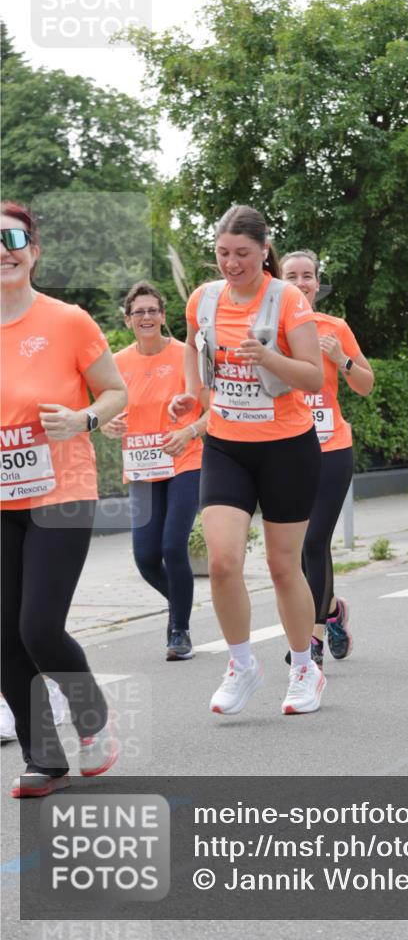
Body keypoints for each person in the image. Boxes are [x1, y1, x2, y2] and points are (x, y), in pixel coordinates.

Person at [169, 205, 325, 715]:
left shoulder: (287, 301)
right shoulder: (204, 299)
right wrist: (192, 396)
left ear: (263, 251)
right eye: (222, 254)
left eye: (242, 254)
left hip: (287, 446)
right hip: (226, 445)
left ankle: (304, 667)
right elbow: (194, 347)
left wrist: (269, 357)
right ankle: (242, 664)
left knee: (283, 567)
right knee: (222, 561)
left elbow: (313, 377)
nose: (231, 264)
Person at [1, 201, 127, 797]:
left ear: (34, 249)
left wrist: (82, 418)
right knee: (3, 635)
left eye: (13, 237)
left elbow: (115, 391)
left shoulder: (69, 321)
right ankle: (44, 757)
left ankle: (91, 718)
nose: (3, 249)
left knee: (40, 628)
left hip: (62, 491)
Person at [101, 281, 207, 661]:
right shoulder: (117, 362)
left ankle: (179, 629)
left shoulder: (186, 356)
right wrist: (106, 423)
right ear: (128, 320)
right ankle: (180, 601)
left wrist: (188, 430)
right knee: (146, 557)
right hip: (143, 467)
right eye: (138, 312)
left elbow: (214, 410)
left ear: (163, 315)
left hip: (184, 459)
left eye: (152, 310)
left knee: (172, 546)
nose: (146, 317)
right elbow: (104, 409)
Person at [280, 251, 374, 666]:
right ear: (279, 281)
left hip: (331, 448)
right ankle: (333, 610)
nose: (301, 283)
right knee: (299, 548)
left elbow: (366, 385)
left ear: (317, 283)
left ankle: (312, 639)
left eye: (308, 276)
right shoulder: (269, 329)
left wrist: (341, 359)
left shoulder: (334, 328)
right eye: (292, 276)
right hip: (283, 448)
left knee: (314, 542)